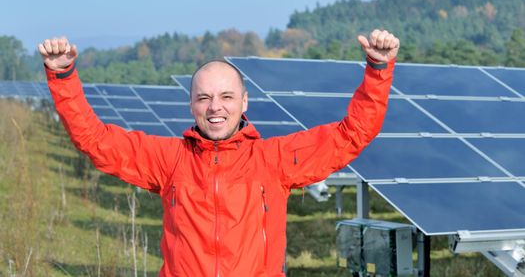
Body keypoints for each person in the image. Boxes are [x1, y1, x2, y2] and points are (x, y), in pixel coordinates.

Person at [38, 29, 399, 277]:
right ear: (191, 104)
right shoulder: (169, 159)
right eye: (204, 98)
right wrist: (63, 76)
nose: (215, 108)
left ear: (244, 102)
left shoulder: (274, 160)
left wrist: (378, 70)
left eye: (226, 97)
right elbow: (96, 141)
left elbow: (353, 134)